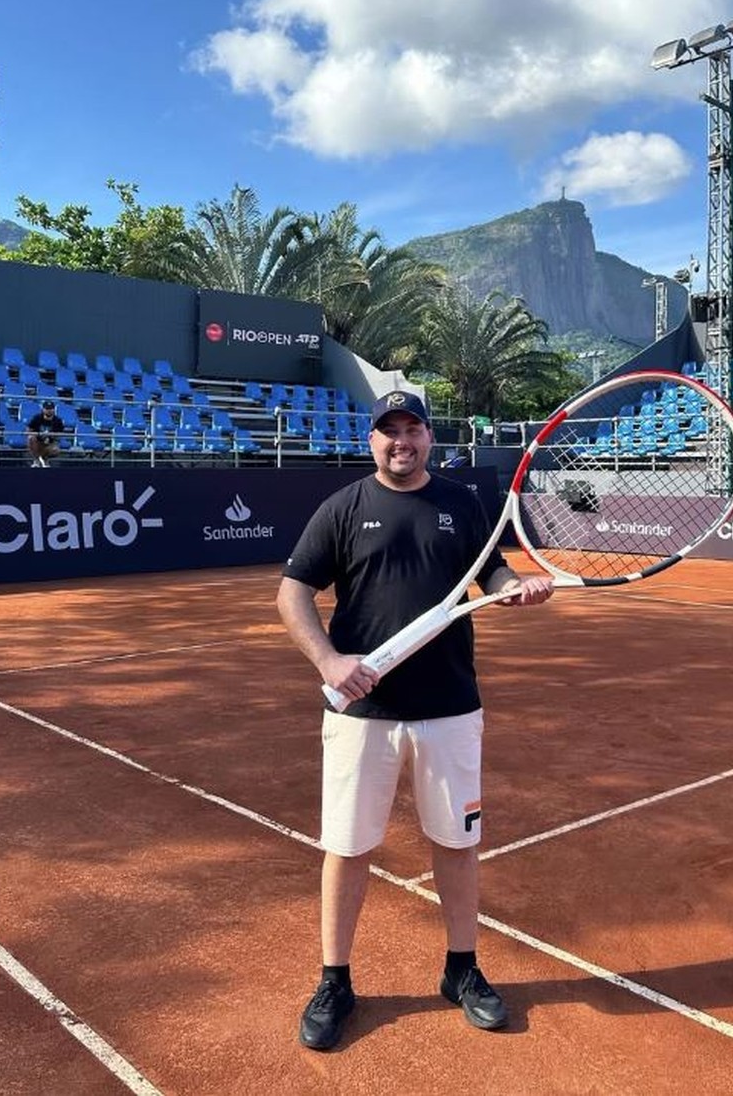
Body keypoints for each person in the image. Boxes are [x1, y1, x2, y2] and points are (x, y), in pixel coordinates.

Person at [276, 390, 554, 1051]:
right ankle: (335, 981)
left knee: (456, 844)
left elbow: (492, 571)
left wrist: (514, 588)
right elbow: (292, 592)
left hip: (451, 707)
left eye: (413, 428)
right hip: (363, 712)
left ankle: (462, 970)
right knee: (348, 847)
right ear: (372, 440)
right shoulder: (343, 508)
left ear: (430, 437)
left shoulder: (463, 502)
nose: (401, 440)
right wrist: (329, 660)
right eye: (389, 430)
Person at [26, 400, 65, 467]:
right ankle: (36, 460)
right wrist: (38, 434)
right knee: (30, 438)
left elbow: (60, 434)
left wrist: (51, 436)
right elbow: (29, 429)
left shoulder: (58, 420)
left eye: (51, 409)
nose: (49, 411)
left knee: (55, 450)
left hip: (50, 442)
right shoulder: (37, 418)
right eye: (47, 409)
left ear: (54, 410)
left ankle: (44, 458)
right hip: (38, 441)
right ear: (43, 409)